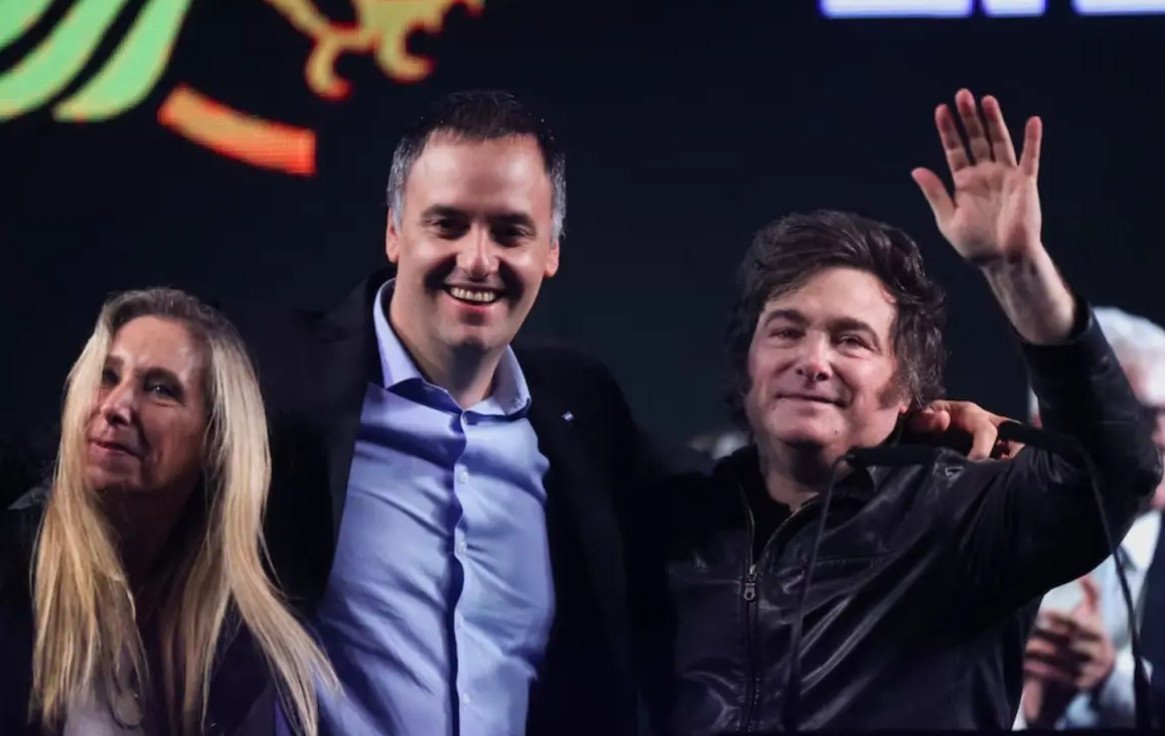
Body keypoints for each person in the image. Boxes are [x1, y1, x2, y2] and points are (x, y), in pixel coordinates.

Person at [219, 89, 1014, 736]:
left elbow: (734, 493)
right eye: (447, 223)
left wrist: (907, 427)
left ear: (551, 251)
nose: (477, 259)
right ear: (395, 232)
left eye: (510, 231)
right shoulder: (267, 377)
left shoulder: (576, 406)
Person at [655, 89, 1162, 732]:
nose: (813, 360)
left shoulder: (967, 518)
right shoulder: (676, 516)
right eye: (786, 331)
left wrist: (1018, 270)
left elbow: (1112, 469)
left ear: (908, 389)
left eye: (851, 341)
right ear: (747, 362)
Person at [0, 288, 336, 736]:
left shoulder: (246, 647)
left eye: (161, 389)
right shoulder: (12, 573)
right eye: (106, 376)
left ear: (215, 439)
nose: (116, 407)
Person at [1017, 306, 1165, 729]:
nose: (1163, 438)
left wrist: (1111, 679)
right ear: (1048, 424)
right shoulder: (983, 540)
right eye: (1143, 417)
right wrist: (1024, 709)